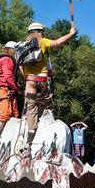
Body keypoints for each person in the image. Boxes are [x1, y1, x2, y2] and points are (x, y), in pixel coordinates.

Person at [23, 22, 76, 157]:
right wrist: (71, 33)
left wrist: (26, 76)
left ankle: (31, 131)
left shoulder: (23, 45)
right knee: (47, 105)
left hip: (29, 80)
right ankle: (48, 124)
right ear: (41, 32)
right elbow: (58, 42)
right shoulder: (43, 41)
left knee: (31, 108)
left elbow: (19, 65)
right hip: (42, 80)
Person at [0, 41, 21, 148]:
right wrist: (18, 88)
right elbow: (8, 77)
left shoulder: (4, 58)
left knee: (15, 113)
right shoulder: (7, 59)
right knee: (6, 112)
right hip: (2, 89)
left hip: (7, 89)